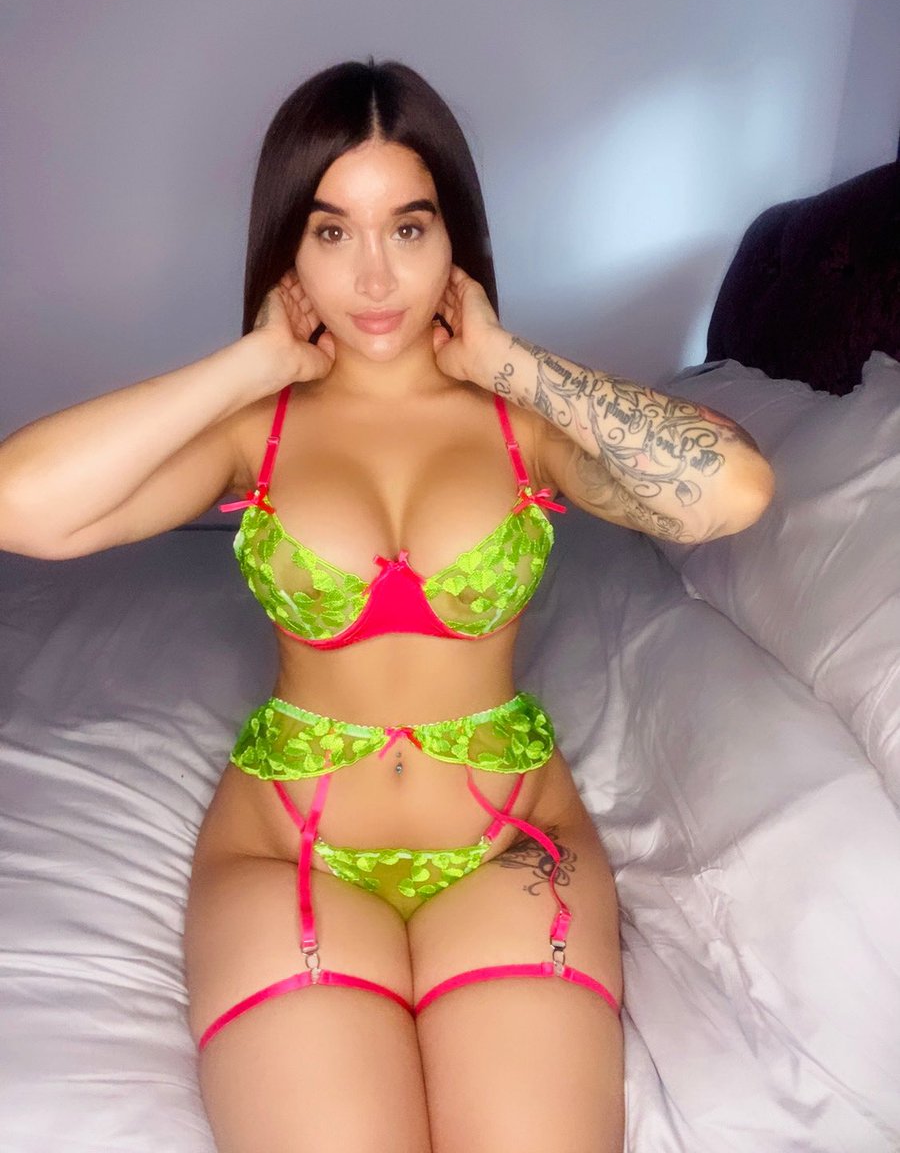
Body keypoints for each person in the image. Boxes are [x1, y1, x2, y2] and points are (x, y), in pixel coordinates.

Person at [0, 60, 774, 1153]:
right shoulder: (254, 430)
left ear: (455, 239)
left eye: (409, 228)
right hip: (289, 854)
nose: (374, 277)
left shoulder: (521, 424)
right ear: (289, 246)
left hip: (508, 845)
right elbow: (19, 505)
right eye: (332, 232)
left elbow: (735, 493)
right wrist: (250, 363)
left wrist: (508, 361)